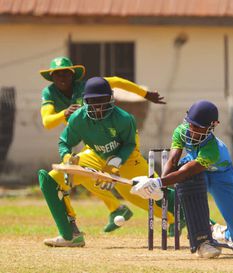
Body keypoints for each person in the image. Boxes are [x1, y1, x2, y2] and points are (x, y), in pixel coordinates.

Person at [38, 58, 182, 246]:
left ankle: (199, 222)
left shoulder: (123, 118)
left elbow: (129, 143)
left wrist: (145, 94)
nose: (97, 107)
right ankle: (70, 235)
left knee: (145, 192)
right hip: (95, 152)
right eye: (93, 102)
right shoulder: (72, 113)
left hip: (127, 158)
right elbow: (62, 139)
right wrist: (67, 159)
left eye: (102, 101)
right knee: (51, 180)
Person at [131, 100, 233, 258]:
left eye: (198, 127)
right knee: (187, 182)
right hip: (193, 170)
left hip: (221, 177)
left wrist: (158, 182)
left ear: (212, 126)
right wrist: (159, 184)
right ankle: (202, 239)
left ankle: (220, 232)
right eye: (191, 125)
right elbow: (173, 162)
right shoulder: (181, 131)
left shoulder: (213, 150)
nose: (192, 130)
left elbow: (187, 171)